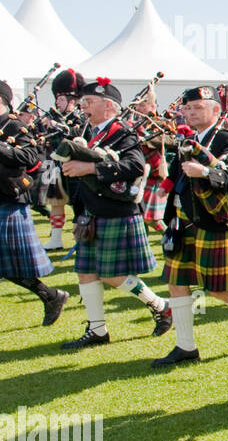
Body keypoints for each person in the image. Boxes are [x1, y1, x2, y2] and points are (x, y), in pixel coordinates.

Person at [153, 86, 228, 368]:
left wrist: (207, 171)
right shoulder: (189, 138)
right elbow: (176, 172)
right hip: (183, 221)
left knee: (222, 291)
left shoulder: (226, 138)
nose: (190, 112)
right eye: (188, 108)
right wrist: (166, 188)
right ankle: (185, 347)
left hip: (212, 221)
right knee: (177, 283)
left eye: (197, 107)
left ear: (215, 110)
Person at [59, 77, 173, 350]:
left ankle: (161, 306)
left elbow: (134, 166)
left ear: (109, 105)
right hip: (92, 212)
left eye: (88, 102)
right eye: (83, 102)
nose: (83, 107)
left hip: (116, 211)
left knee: (110, 275)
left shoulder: (122, 132)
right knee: (85, 272)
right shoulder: (93, 132)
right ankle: (97, 330)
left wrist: (88, 168)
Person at [0, 79, 68, 326]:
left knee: (10, 266)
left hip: (9, 199)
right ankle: (51, 296)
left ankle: (51, 296)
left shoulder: (14, 126)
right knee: (6, 266)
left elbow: (32, 157)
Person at [40, 68, 86, 250]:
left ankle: (80, 240)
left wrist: (57, 125)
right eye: (57, 98)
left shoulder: (81, 117)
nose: (57, 102)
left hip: (73, 165)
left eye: (61, 99)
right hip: (52, 164)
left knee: (78, 204)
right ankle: (56, 239)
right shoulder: (51, 115)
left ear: (72, 101)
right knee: (55, 203)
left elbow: (75, 135)